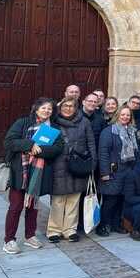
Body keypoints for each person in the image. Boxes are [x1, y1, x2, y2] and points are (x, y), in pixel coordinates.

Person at [3, 98, 64, 254]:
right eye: (43, 108)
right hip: (20, 171)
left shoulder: (54, 128)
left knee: (33, 206)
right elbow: (9, 142)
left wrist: (39, 150)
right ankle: (9, 240)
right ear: (36, 109)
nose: (46, 111)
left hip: (39, 172)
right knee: (16, 206)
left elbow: (58, 148)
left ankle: (30, 236)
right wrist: (30, 145)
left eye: (49, 109)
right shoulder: (23, 122)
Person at [48, 97, 96, 243]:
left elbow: (91, 143)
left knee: (74, 199)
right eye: (65, 106)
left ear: (76, 108)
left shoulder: (84, 122)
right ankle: (54, 230)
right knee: (58, 199)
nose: (68, 108)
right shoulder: (53, 122)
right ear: (60, 107)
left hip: (78, 164)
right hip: (58, 164)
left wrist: (93, 163)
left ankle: (70, 229)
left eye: (71, 106)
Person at [98, 106, 140, 237]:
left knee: (121, 200)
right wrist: (104, 173)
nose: (125, 117)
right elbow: (103, 153)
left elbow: (136, 152)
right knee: (110, 200)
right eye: (123, 114)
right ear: (117, 115)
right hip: (113, 171)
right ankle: (103, 225)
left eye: (128, 115)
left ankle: (116, 224)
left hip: (128, 171)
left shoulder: (132, 131)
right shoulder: (108, 131)